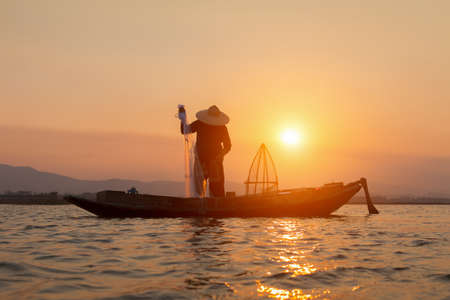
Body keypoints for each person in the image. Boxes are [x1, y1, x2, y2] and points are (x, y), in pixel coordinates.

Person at [179, 105, 231, 197]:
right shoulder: (201, 123)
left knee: (216, 191)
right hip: (202, 161)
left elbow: (227, 146)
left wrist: (219, 156)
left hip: (214, 163)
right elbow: (185, 130)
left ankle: (214, 209)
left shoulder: (221, 127)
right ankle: (202, 208)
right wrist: (182, 117)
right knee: (200, 191)